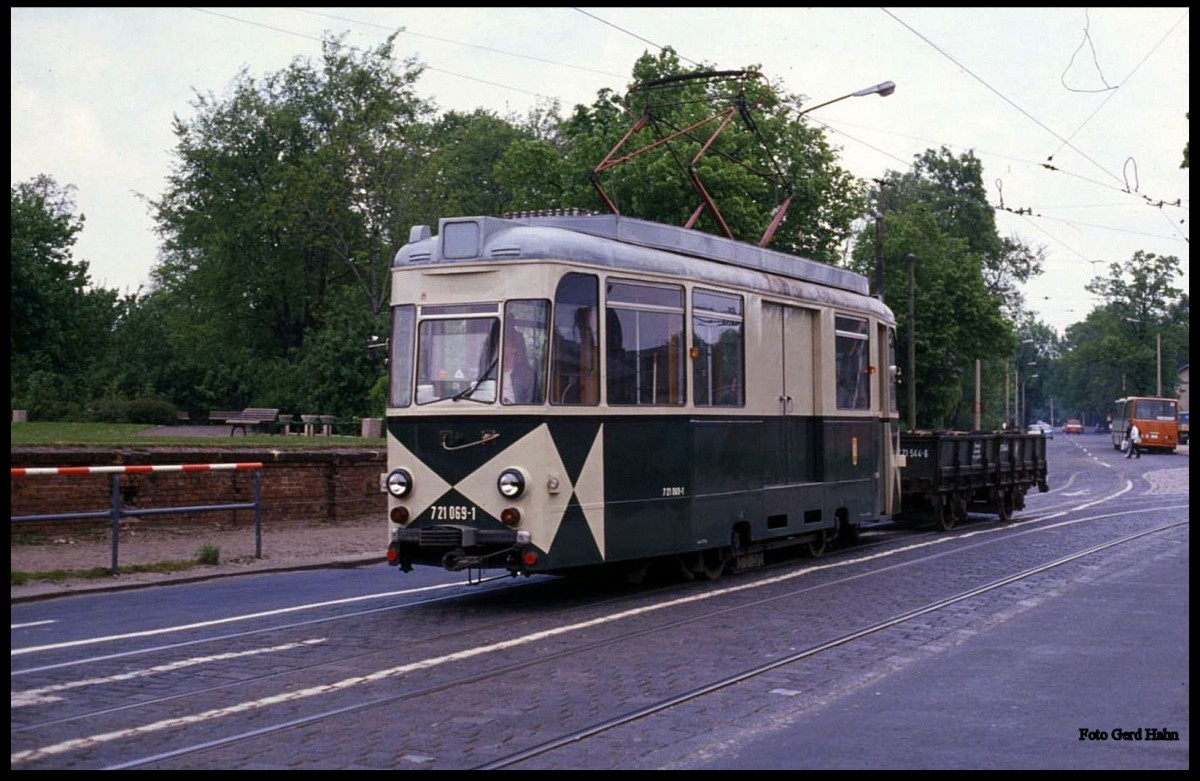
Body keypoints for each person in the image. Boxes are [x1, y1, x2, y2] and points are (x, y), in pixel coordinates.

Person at [502, 329, 536, 404]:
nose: (501, 350)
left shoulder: (526, 374)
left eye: (505, 346)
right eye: (500, 346)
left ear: (514, 349)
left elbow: (528, 401)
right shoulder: (493, 371)